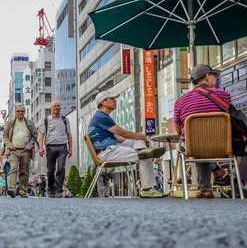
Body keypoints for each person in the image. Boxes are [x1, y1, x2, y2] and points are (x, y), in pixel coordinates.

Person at [173, 64, 235, 198]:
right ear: (207, 77)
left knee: (196, 142)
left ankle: (205, 188)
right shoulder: (224, 96)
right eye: (214, 76)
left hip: (193, 146)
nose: (216, 79)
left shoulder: (180, 101)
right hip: (223, 144)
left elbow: (179, 131)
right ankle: (219, 173)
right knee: (206, 143)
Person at [89, 91, 166, 198]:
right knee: (144, 155)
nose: (115, 100)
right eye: (112, 98)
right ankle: (147, 189)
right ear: (103, 102)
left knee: (138, 143)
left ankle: (144, 151)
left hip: (111, 148)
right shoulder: (101, 117)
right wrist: (142, 136)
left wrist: (139, 139)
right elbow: (122, 132)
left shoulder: (101, 117)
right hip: (106, 152)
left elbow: (120, 139)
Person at [3, 105, 38, 198]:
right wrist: (9, 144)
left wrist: (29, 145)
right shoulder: (10, 123)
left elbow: (35, 136)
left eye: (22, 111)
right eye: (18, 111)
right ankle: (11, 189)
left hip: (25, 150)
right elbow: (5, 135)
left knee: (24, 171)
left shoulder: (29, 123)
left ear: (24, 112)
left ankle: (23, 190)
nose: (20, 113)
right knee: (13, 168)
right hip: (13, 150)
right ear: (15, 112)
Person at [39, 102, 73, 198]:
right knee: (51, 170)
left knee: (61, 168)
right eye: (54, 106)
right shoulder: (46, 120)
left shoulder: (65, 120)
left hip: (63, 146)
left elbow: (69, 135)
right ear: (51, 108)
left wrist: (70, 148)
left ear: (60, 108)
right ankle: (51, 189)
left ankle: (59, 189)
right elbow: (41, 135)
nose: (56, 108)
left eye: (58, 106)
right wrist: (41, 148)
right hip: (50, 147)